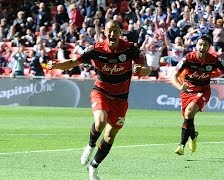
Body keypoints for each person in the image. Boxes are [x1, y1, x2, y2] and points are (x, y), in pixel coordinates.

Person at [47, 20, 151, 180]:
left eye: (115, 30)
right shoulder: (96, 49)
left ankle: (93, 167)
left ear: (120, 32)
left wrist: (141, 69)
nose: (112, 34)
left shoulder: (130, 49)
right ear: (104, 32)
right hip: (101, 92)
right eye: (109, 30)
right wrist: (56, 65)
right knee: (101, 121)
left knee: (110, 136)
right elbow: (73, 63)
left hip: (121, 99)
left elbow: (147, 69)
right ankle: (90, 145)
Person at [170, 35, 224, 155]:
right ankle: (193, 136)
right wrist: (180, 87)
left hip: (203, 91)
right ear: (196, 45)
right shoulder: (188, 58)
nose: (202, 47)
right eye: (200, 44)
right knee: (188, 117)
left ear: (209, 47)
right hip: (187, 92)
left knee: (189, 112)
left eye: (205, 45)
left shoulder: (214, 60)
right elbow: (173, 76)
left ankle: (181, 145)